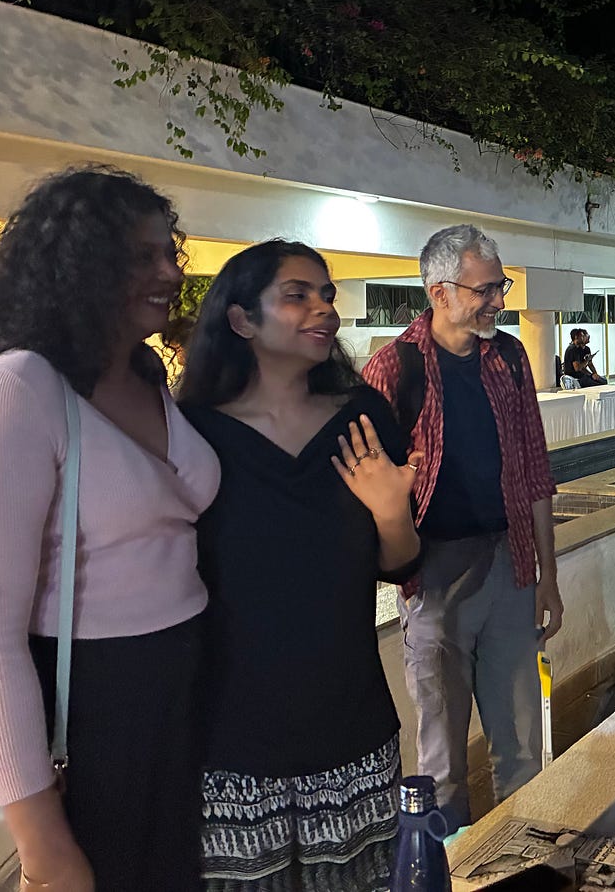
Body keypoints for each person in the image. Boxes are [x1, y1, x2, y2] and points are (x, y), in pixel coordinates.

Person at [0, 165, 221, 892]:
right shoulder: (17, 390)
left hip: (164, 705)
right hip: (75, 715)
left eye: (169, 253)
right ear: (78, 264)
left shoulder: (143, 375)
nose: (170, 273)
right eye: (142, 256)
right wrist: (44, 847)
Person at [177, 240, 422, 889]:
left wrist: (391, 512)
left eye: (327, 295)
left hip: (349, 727)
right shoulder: (189, 432)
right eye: (297, 295)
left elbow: (399, 564)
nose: (324, 309)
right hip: (228, 743)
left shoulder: (362, 419)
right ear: (240, 319)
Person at [361, 224, 560, 831]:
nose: (498, 300)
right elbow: (367, 482)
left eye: (500, 286)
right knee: (441, 756)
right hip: (434, 576)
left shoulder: (509, 359)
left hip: (509, 563)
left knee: (523, 743)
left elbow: (534, 469)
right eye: (485, 290)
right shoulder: (395, 368)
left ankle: (524, 855)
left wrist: (547, 577)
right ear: (439, 292)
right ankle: (445, 862)